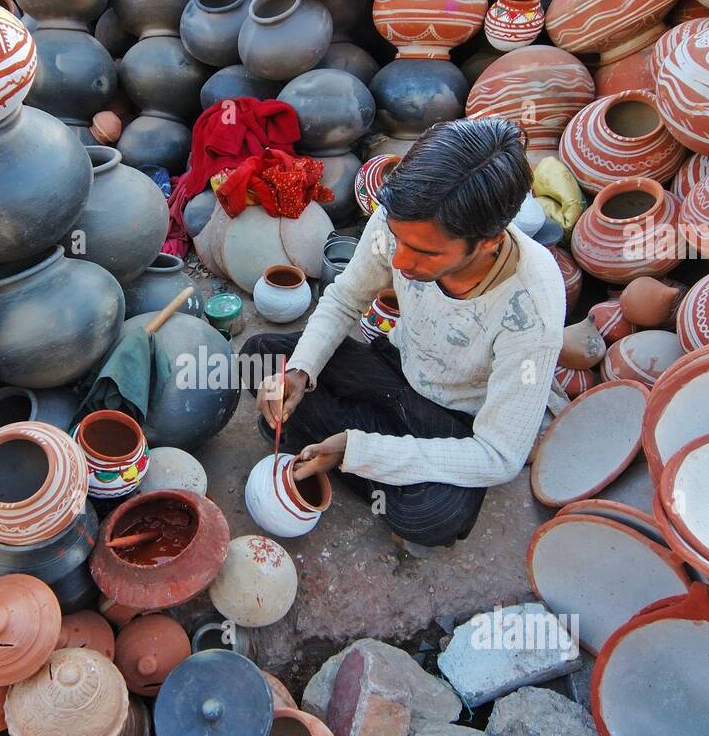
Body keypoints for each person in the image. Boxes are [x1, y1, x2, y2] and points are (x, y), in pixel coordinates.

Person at [244, 118, 569, 554]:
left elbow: (500, 456)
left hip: (453, 424)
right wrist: (301, 372)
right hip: (392, 371)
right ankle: (347, 446)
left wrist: (360, 450)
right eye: (397, 240)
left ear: (488, 242)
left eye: (425, 253)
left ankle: (345, 449)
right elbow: (345, 299)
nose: (399, 261)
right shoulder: (405, 218)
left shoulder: (531, 307)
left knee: (427, 515)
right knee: (261, 356)